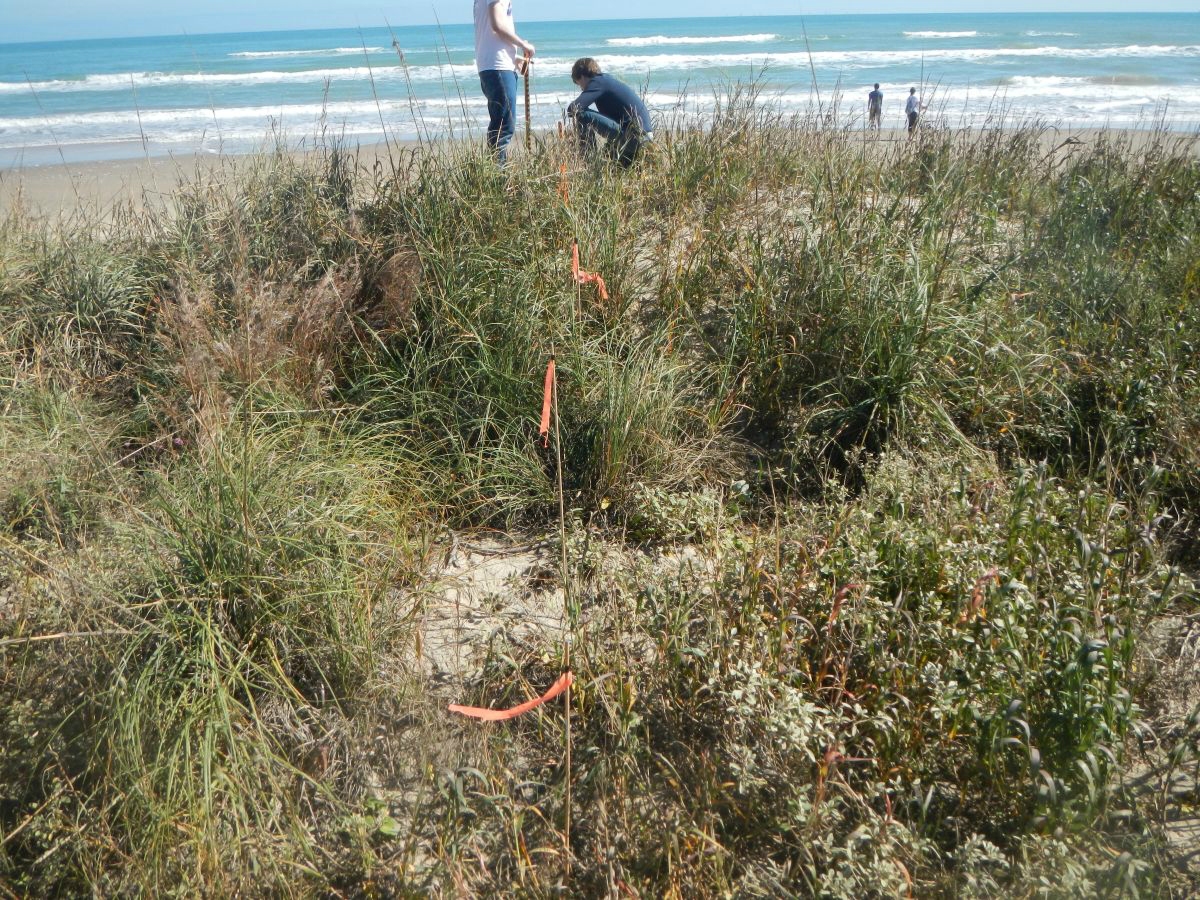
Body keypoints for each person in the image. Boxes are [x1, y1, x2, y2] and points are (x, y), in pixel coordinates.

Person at [473, 0, 534, 163]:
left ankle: (497, 176)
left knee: (500, 126)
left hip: (495, 65)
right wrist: (523, 44)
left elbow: (489, 35)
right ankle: (497, 180)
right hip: (497, 66)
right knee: (503, 127)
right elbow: (497, 25)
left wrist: (513, 58)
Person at [566, 58, 653, 167]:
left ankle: (588, 162)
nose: (582, 89)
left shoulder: (597, 82)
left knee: (581, 114)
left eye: (579, 84)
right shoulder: (607, 81)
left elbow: (573, 109)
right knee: (610, 161)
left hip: (633, 136)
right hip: (643, 137)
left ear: (582, 76)